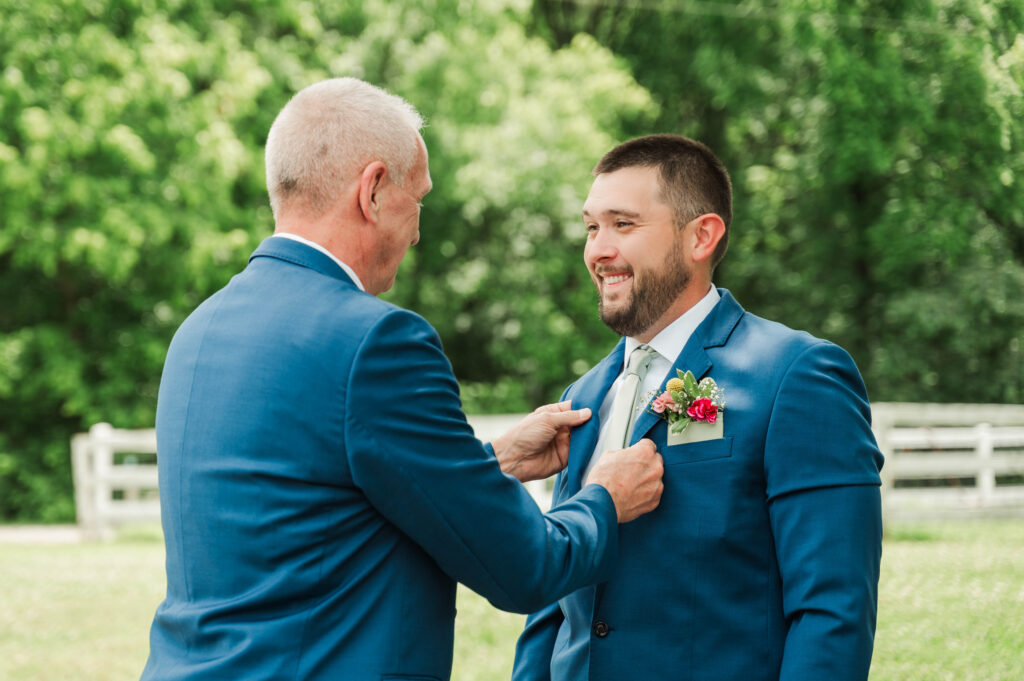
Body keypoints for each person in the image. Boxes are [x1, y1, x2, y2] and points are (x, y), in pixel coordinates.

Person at [140, 78, 665, 681]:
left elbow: (314, 503)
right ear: (372, 191)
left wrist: (489, 461)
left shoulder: (200, 330)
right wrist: (605, 497)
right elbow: (525, 568)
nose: (417, 232)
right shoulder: (377, 342)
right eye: (417, 201)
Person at [512, 134, 884, 681]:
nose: (598, 249)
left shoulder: (796, 375)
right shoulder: (582, 397)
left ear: (701, 237)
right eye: (592, 227)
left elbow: (834, 609)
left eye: (624, 224)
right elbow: (554, 607)